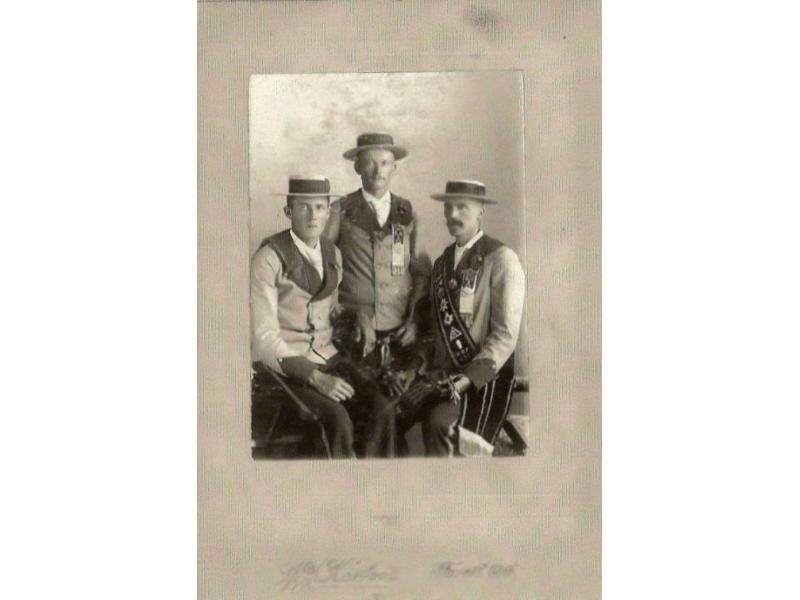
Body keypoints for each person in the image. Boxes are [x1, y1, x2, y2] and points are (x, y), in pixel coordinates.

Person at [250, 176, 396, 458]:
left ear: (328, 211)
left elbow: (330, 308)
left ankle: (380, 489)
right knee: (336, 419)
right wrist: (316, 378)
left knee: (383, 408)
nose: (312, 215)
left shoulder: (333, 253)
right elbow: (264, 338)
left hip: (328, 356)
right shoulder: (267, 259)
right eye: (303, 207)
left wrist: (360, 316)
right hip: (286, 368)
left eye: (319, 207)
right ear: (288, 211)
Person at [408, 180, 526, 457]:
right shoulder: (441, 263)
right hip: (442, 375)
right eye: (448, 207)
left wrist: (463, 381)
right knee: (395, 412)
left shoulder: (502, 259)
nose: (452, 215)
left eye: (462, 207)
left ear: (481, 210)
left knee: (440, 425)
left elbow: (505, 336)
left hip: (482, 379)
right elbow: (434, 333)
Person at [323, 133, 432, 375]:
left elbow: (422, 274)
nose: (377, 171)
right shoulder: (340, 210)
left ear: (394, 167)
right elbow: (322, 268)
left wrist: (413, 321)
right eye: (370, 163)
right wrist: (346, 312)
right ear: (357, 167)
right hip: (352, 330)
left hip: (399, 331)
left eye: (384, 163)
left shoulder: (407, 212)